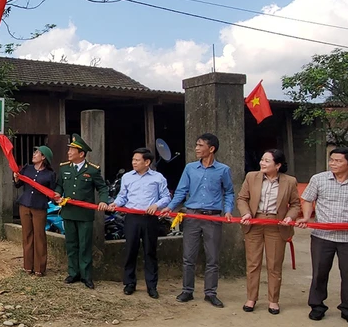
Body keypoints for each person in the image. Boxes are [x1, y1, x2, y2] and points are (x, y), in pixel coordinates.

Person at [298, 148, 348, 326]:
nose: (332, 163)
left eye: (338, 161)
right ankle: (317, 306)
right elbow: (308, 199)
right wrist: (306, 216)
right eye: (331, 160)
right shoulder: (319, 179)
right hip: (322, 236)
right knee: (319, 273)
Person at [162, 133, 234, 308]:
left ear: (211, 149)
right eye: (196, 145)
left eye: (200, 145)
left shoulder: (223, 170)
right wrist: (170, 207)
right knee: (188, 256)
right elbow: (181, 191)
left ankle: (210, 293)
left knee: (212, 257)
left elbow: (229, 192)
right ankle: (187, 290)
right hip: (192, 215)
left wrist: (228, 211)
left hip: (213, 216)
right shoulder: (190, 168)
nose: (196, 148)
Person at [235, 149, 301, 315]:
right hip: (254, 223)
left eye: (266, 161)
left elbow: (295, 204)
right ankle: (251, 298)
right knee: (253, 263)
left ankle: (273, 301)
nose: (262, 163)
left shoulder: (290, 181)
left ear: (278, 165)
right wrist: (246, 213)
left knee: (274, 265)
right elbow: (242, 198)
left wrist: (289, 217)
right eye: (262, 160)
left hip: (276, 224)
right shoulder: (251, 177)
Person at [108, 148, 171, 297]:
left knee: (150, 252)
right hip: (132, 218)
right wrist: (115, 204)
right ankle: (129, 283)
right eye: (133, 160)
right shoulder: (127, 177)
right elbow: (123, 196)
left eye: (137, 160)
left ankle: (152, 286)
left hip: (150, 219)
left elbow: (166, 197)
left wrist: (156, 205)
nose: (134, 163)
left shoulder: (158, 178)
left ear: (147, 162)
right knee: (130, 250)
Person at [53, 134, 110, 289]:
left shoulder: (92, 170)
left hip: (84, 215)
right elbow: (59, 185)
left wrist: (104, 200)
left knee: (85, 245)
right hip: (68, 212)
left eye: (73, 150)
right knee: (71, 244)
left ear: (81, 154)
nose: (69, 152)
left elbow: (102, 188)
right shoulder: (64, 168)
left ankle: (86, 276)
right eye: (70, 149)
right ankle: (73, 273)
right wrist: (57, 194)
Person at [13, 145, 57, 276]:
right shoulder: (27, 169)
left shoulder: (50, 174)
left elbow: (53, 192)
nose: (34, 154)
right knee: (27, 235)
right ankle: (28, 266)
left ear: (43, 157)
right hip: (25, 204)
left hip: (39, 207)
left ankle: (39, 268)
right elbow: (18, 185)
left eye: (37, 153)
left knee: (39, 236)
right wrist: (16, 178)